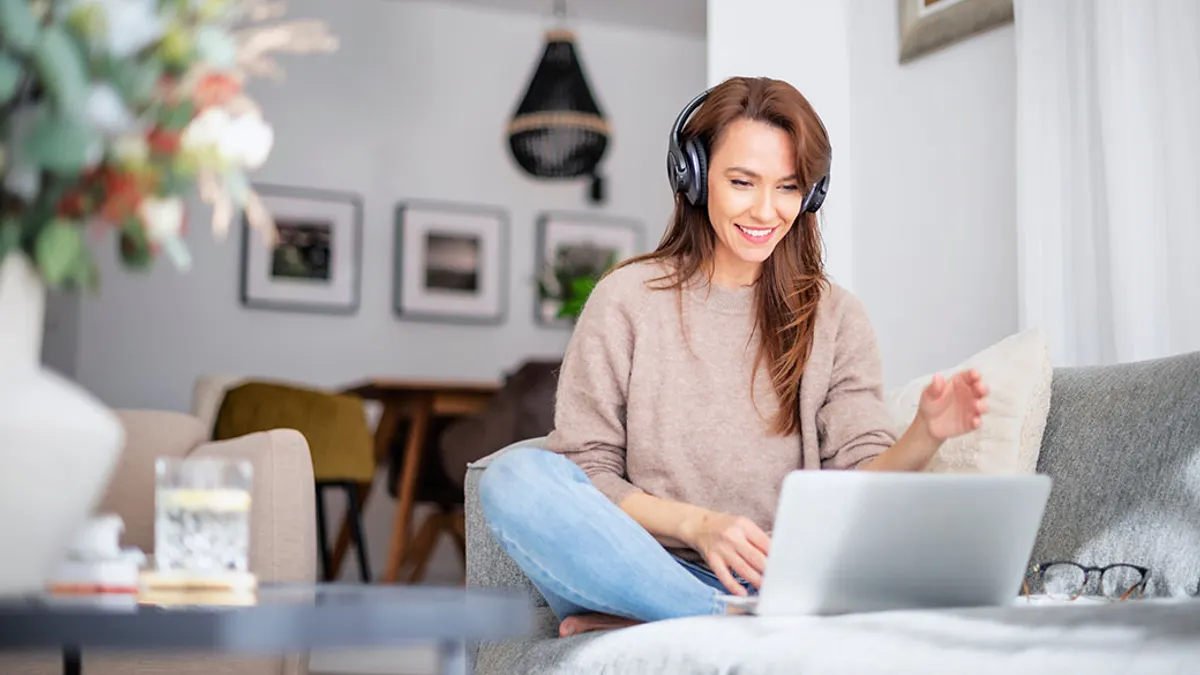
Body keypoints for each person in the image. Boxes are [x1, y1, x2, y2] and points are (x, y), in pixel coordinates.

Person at [478, 76, 989, 638]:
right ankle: (715, 620)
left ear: (811, 194)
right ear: (694, 179)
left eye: (789, 187)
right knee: (513, 481)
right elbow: (585, 470)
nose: (766, 210)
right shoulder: (626, 299)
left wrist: (927, 432)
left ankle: (665, 621)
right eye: (742, 182)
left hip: (782, 580)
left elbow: (859, 485)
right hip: (642, 566)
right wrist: (699, 527)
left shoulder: (836, 317)